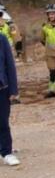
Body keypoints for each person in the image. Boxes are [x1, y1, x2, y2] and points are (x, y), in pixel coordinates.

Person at [0, 33, 18, 166]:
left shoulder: (2, 39)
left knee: (2, 122)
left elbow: (9, 64)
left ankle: (6, 152)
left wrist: (13, 89)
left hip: (2, 88)